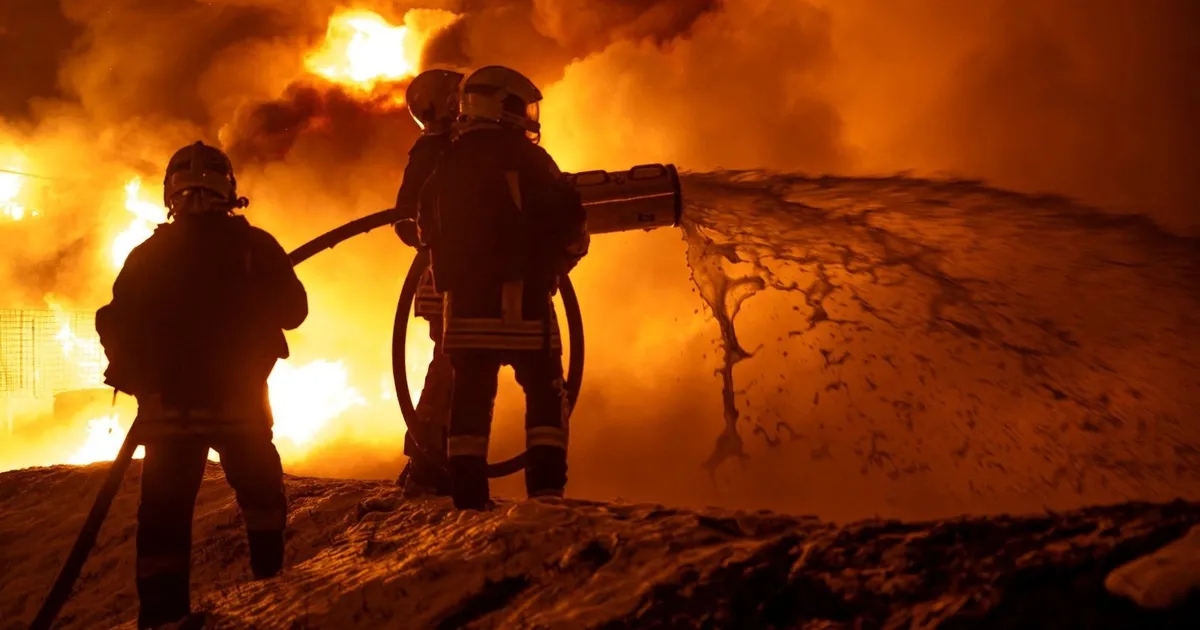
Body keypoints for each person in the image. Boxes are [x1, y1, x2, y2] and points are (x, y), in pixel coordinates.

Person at [95, 141, 308, 629]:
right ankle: (270, 589)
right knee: (261, 498)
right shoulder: (255, 247)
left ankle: (162, 617)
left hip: (169, 412)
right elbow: (294, 312)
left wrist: (140, 382)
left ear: (170, 195)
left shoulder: (148, 255)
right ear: (228, 192)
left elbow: (115, 323)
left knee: (164, 519)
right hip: (240, 405)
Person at [417, 65, 590, 510]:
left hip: (463, 314)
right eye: (520, 106)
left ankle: (469, 498)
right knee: (546, 395)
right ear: (500, 107)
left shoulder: (447, 164)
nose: (527, 116)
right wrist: (560, 263)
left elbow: (425, 228)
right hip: (523, 305)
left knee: (470, 403)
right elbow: (568, 225)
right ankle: (546, 494)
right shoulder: (530, 160)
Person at [392, 68, 464, 498]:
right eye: (456, 97)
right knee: (451, 365)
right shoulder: (432, 151)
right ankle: (427, 462)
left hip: (463, 273)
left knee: (457, 366)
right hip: (442, 277)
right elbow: (404, 219)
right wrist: (439, 238)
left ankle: (437, 459)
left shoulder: (467, 147)